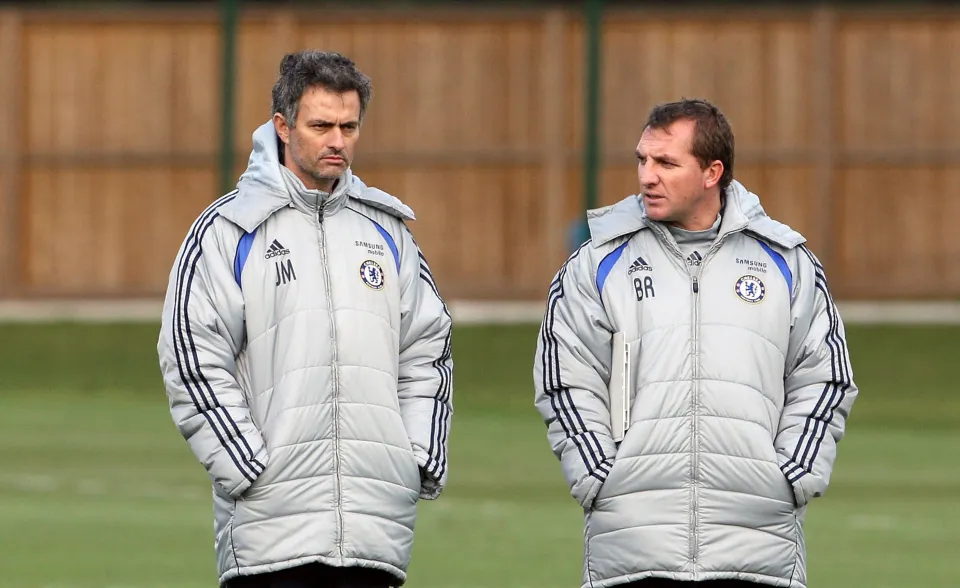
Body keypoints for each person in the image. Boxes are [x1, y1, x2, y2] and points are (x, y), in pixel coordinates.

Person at [157, 50, 454, 588]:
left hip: (374, 533)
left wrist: (414, 459)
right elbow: (191, 357)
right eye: (321, 126)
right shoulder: (229, 229)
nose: (337, 141)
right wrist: (247, 468)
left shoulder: (389, 232)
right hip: (270, 533)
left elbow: (428, 349)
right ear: (283, 126)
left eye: (349, 127)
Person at [533, 98, 858, 588]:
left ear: (712, 172)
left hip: (757, 544)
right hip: (633, 544)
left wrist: (792, 476)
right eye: (642, 160)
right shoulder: (596, 263)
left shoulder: (787, 262)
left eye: (666, 163)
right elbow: (564, 377)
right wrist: (600, 477)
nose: (647, 176)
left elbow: (826, 378)